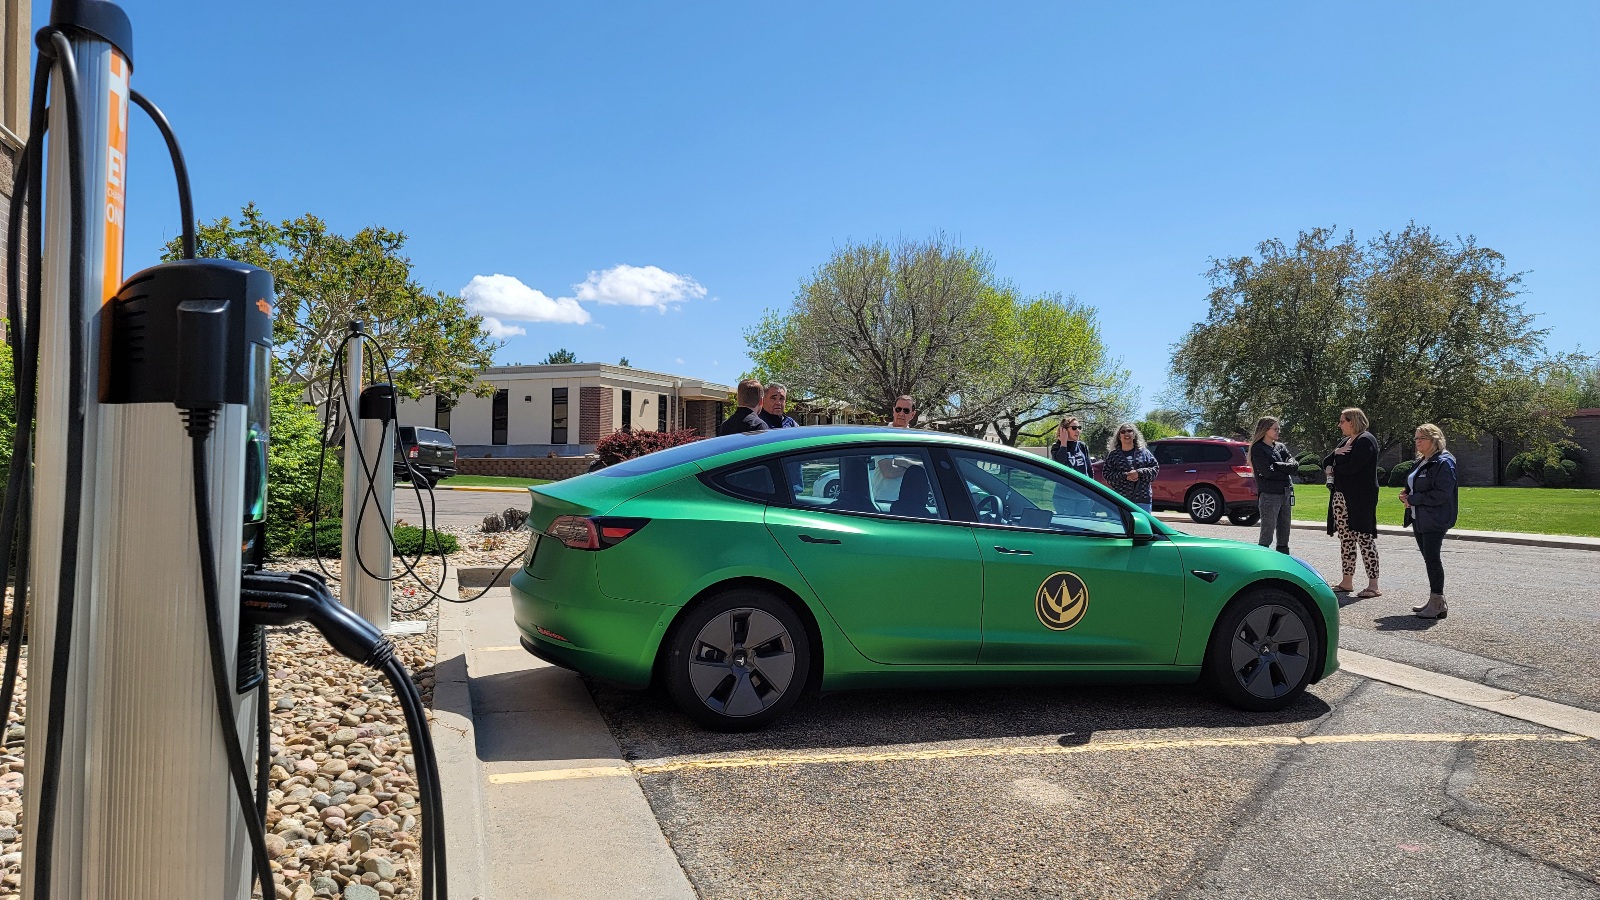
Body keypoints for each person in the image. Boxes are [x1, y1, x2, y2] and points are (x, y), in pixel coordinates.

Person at [1323, 407, 1381, 598]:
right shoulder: (1346, 441)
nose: (1339, 425)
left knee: (1364, 538)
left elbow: (1353, 468)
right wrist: (1336, 452)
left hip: (1360, 499)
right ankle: (1347, 581)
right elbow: (1326, 462)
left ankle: (1373, 585)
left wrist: (1335, 467)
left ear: (1352, 421)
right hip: (1341, 497)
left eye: (1342, 421)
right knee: (1346, 539)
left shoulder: (1366, 441)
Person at [1402, 423, 1458, 619]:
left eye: (1421, 438)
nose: (1417, 442)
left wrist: (1414, 499)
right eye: (1416, 438)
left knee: (1433, 558)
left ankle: (1437, 602)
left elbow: (1442, 494)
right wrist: (1407, 494)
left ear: (1434, 440)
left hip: (1435, 519)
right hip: (1419, 518)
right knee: (1429, 558)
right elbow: (1416, 484)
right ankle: (1436, 600)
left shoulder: (1444, 462)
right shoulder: (1422, 461)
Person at [1249, 416, 1299, 554]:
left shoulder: (1280, 447)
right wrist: (1285, 469)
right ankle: (1263, 561)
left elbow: (1294, 466)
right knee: (1267, 532)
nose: (1278, 431)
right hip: (1269, 495)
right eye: (1275, 429)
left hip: (1286, 492)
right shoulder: (1258, 449)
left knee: (1284, 530)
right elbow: (1267, 473)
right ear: (1265, 430)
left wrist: (1277, 465)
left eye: (1279, 429)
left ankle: (1284, 559)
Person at [1101, 423, 1159, 511]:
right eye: (1123, 432)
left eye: (1129, 431)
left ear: (1134, 435)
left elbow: (1155, 469)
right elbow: (1107, 475)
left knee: (1142, 524)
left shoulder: (1144, 452)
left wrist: (1138, 473)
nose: (1126, 434)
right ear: (1119, 437)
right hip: (1121, 500)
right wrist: (1125, 475)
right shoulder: (1113, 455)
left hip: (1143, 500)